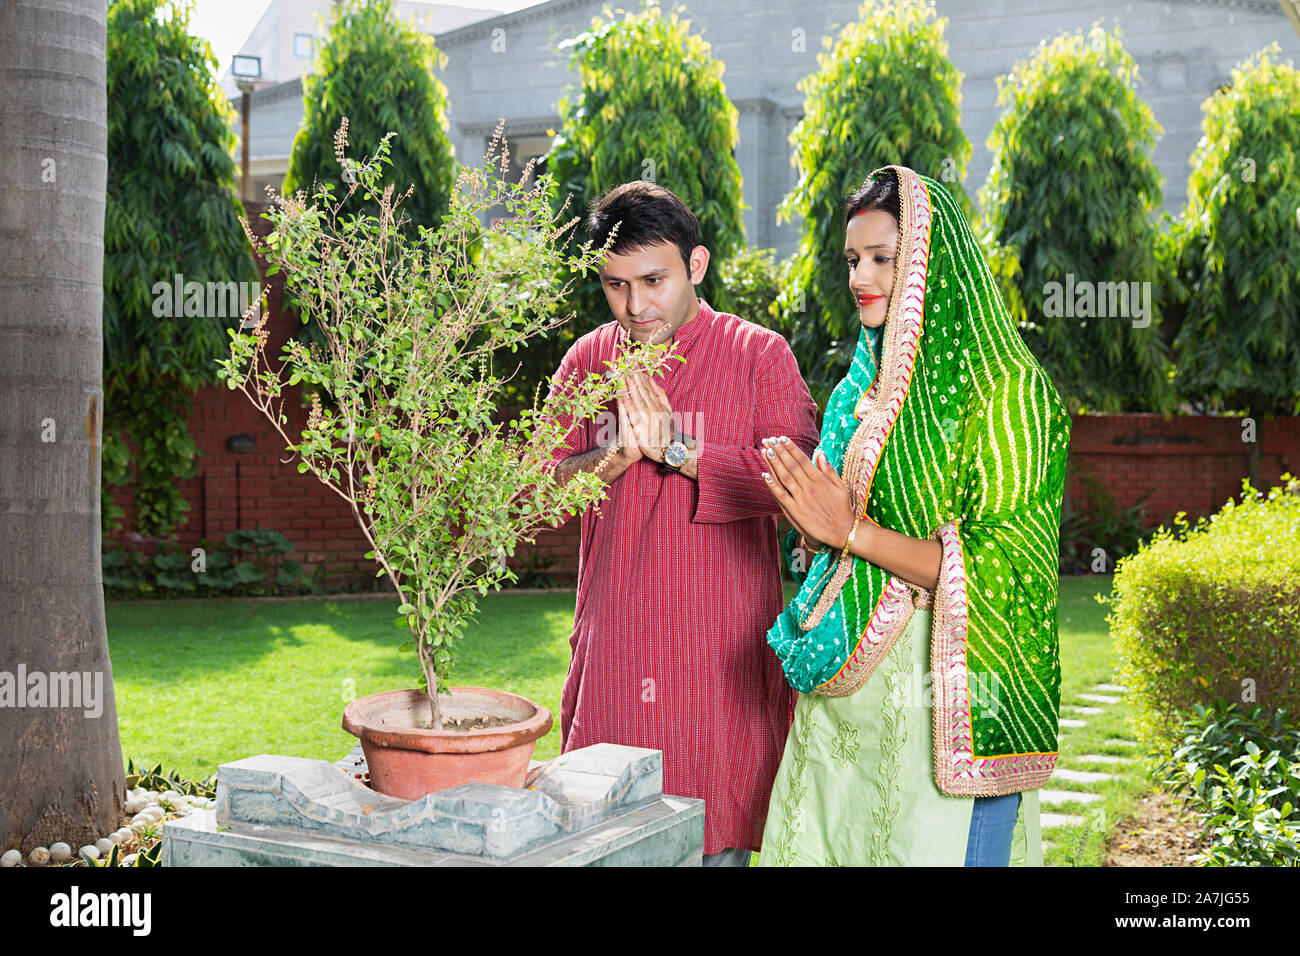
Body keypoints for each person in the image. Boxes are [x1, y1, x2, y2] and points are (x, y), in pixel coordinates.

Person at [754, 165, 1071, 867]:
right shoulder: (857, 390)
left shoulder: (1007, 392)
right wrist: (811, 522)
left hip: (941, 696)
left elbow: (1003, 570)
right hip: (844, 690)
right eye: (851, 259)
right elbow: (832, 539)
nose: (860, 275)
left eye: (882, 257)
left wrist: (851, 532)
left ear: (932, 261)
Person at [545, 181, 820, 866]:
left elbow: (802, 489)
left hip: (718, 661)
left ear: (696, 266)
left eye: (653, 280)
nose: (635, 306)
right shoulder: (586, 362)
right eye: (614, 286)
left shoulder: (759, 354)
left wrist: (678, 449)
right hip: (616, 657)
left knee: (714, 842)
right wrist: (615, 452)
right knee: (599, 837)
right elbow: (529, 495)